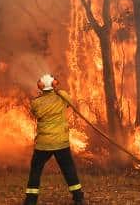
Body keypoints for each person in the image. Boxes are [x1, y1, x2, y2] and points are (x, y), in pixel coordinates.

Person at [23, 74, 85, 205]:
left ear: (40, 86)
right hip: (60, 143)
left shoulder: (36, 102)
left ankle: (30, 201)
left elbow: (35, 113)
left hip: (43, 144)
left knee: (36, 170)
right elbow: (69, 102)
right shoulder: (62, 97)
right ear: (53, 85)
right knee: (69, 169)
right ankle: (79, 198)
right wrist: (56, 88)